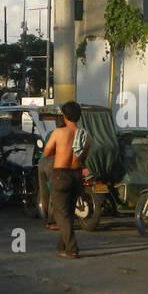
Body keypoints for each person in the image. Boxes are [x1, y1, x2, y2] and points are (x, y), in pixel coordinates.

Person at [42, 101, 89, 258]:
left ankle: (72, 248)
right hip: (76, 175)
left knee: (60, 213)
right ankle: (62, 246)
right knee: (68, 212)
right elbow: (84, 157)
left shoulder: (58, 133)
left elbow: (47, 152)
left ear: (65, 116)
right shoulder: (85, 136)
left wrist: (60, 150)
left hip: (61, 175)